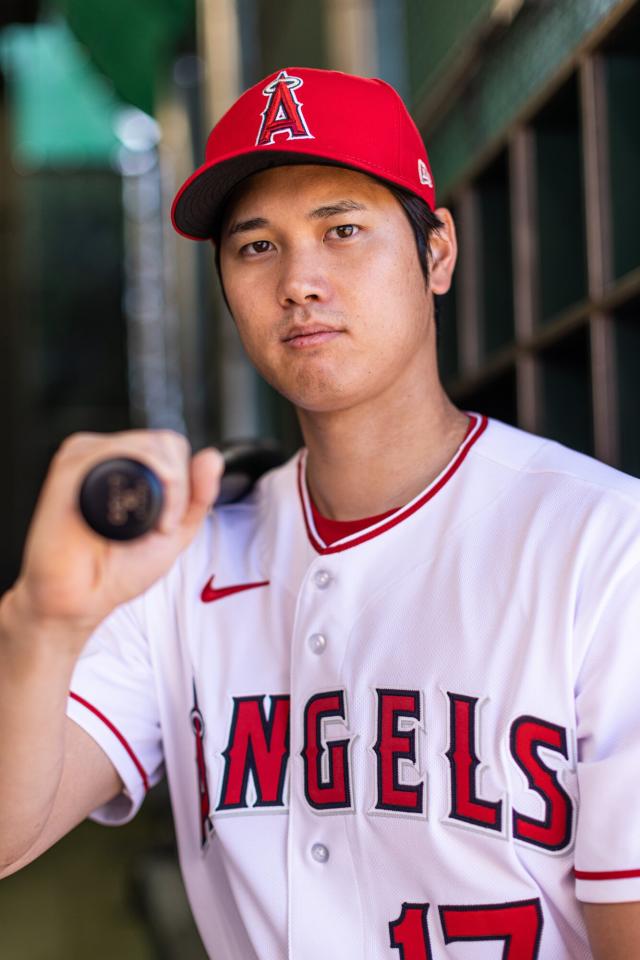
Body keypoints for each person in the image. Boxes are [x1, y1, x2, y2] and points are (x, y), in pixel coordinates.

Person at [0, 66, 639, 960]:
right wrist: (42, 622)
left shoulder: (606, 548)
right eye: (256, 247)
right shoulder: (182, 562)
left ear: (438, 253)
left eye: (343, 230)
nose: (300, 280)